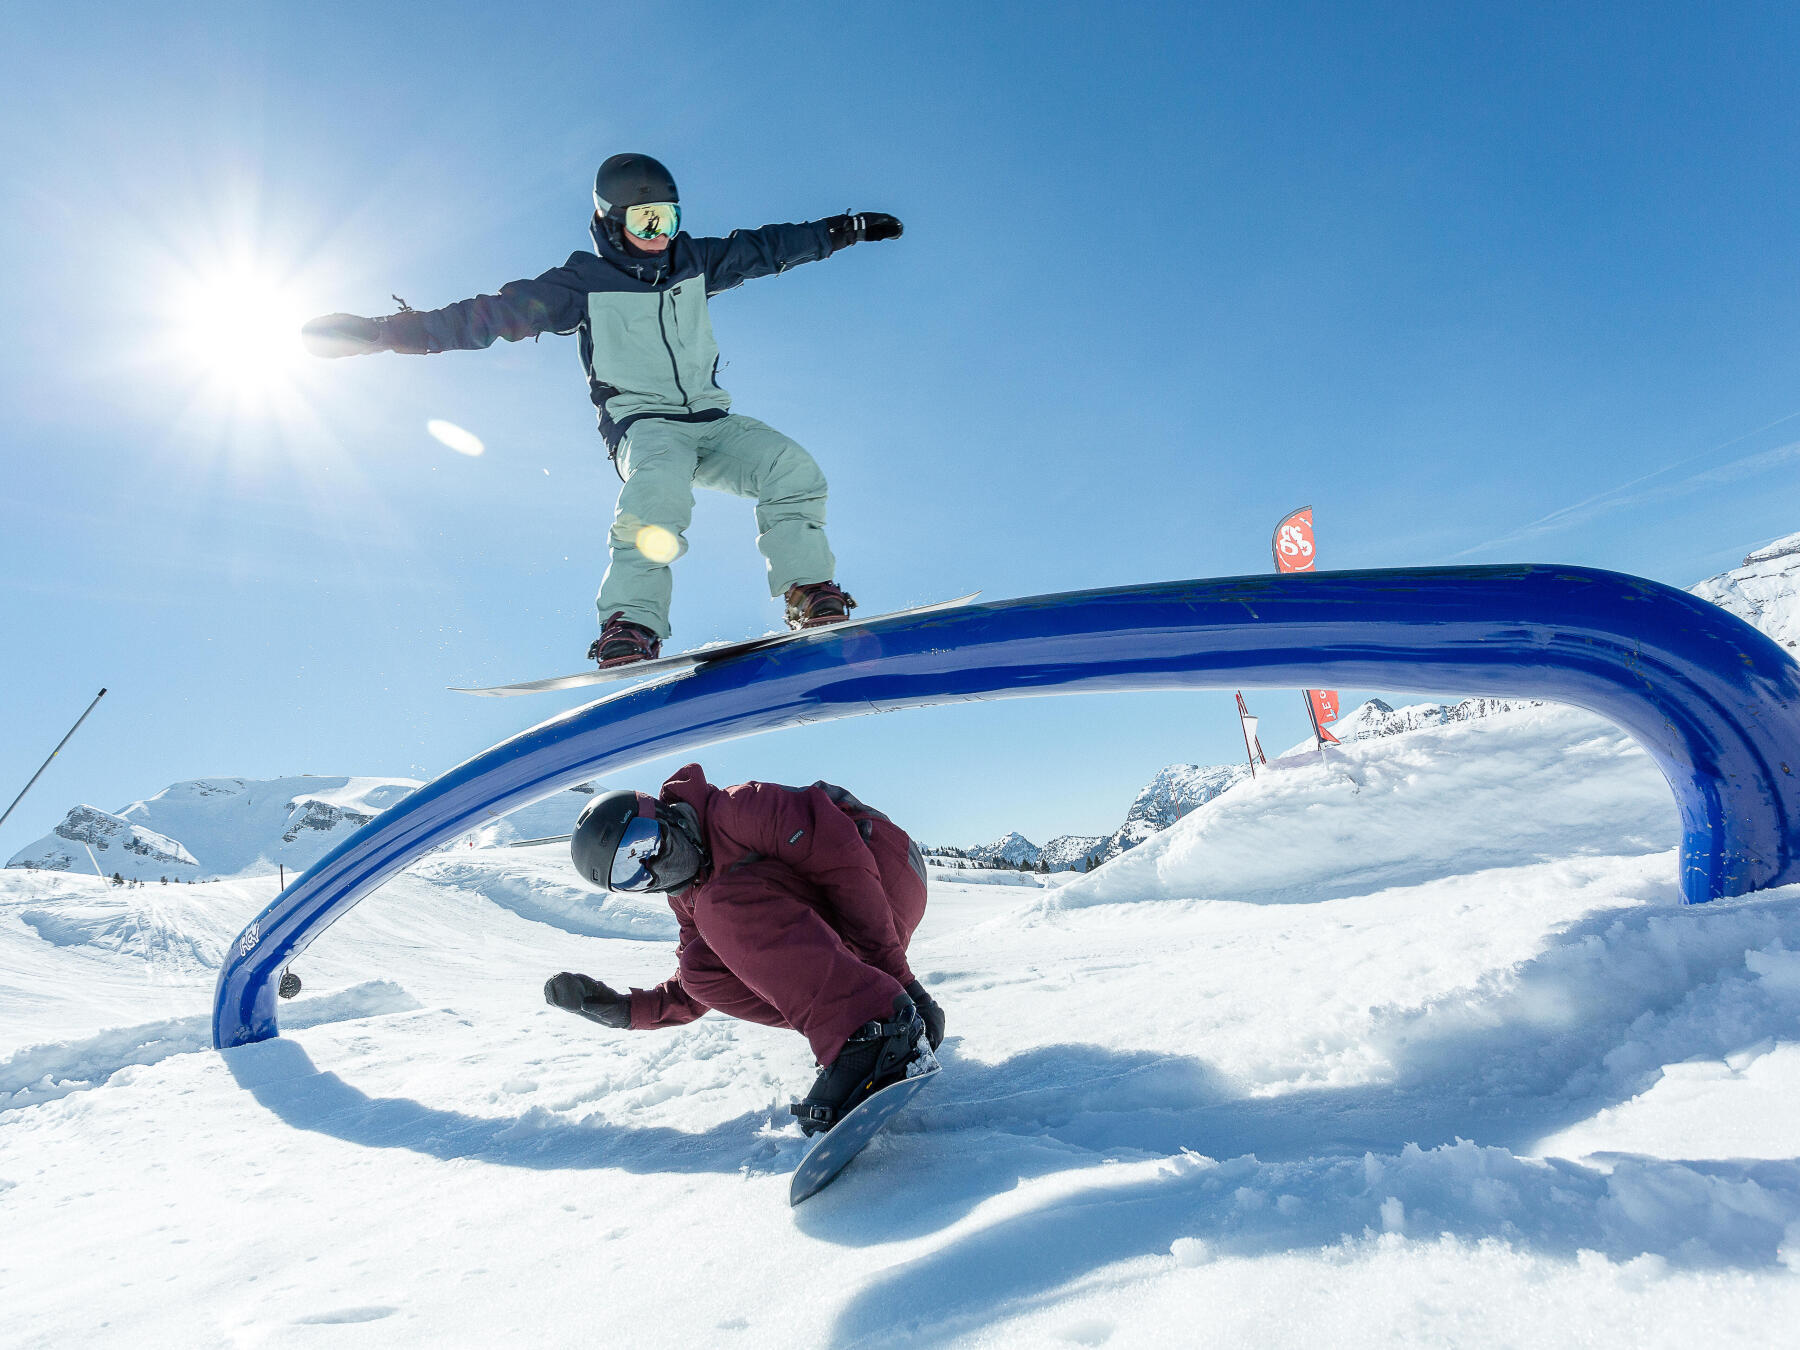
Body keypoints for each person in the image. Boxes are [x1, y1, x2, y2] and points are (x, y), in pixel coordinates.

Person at [300, 153, 903, 667]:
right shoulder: (580, 284)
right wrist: (383, 333)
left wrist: (844, 229)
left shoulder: (695, 262)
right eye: (644, 219)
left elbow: (771, 247)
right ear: (612, 223)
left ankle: (810, 592)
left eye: (668, 217)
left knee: (792, 469)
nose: (659, 232)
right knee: (659, 495)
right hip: (645, 427)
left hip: (713, 423)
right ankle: (630, 625)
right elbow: (479, 318)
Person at [544, 763, 945, 1134]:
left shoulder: (737, 809)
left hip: (883, 859)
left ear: (662, 814)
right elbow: (692, 986)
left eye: (643, 844)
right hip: (852, 919)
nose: (650, 868)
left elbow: (840, 854)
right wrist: (625, 1010)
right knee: (701, 965)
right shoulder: (685, 897)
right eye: (630, 875)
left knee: (717, 906)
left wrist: (899, 977)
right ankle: (864, 1026)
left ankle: (871, 1028)